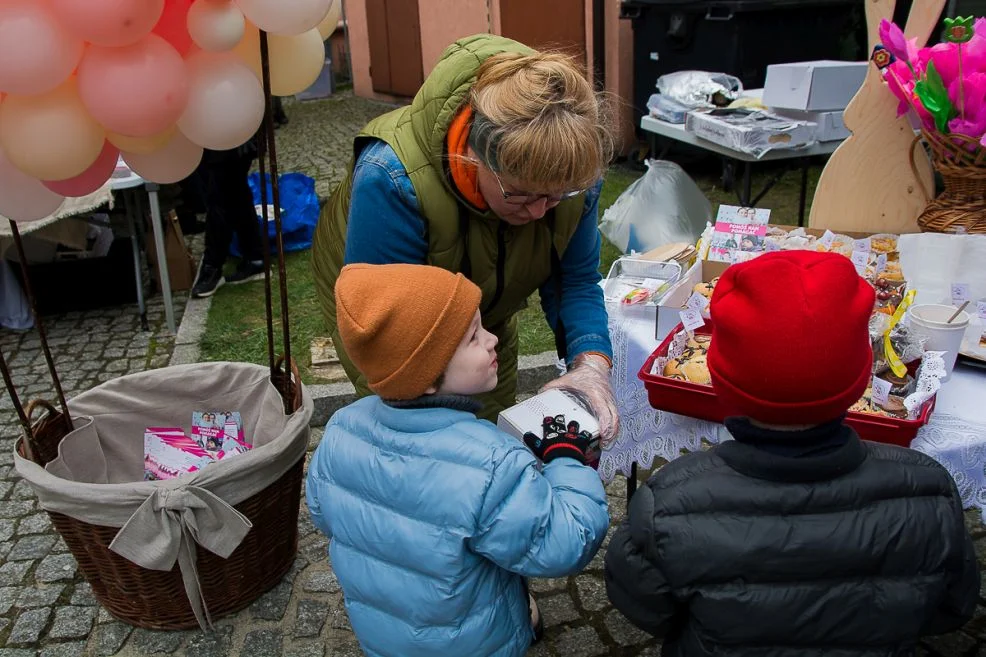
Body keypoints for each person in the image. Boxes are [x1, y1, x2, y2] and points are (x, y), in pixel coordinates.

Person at [604, 251, 978, 656]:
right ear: (858, 383)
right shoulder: (928, 492)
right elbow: (951, 607)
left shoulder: (669, 504)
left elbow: (645, 606)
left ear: (721, 380)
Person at [311, 34, 619, 444]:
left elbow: (575, 279)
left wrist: (590, 365)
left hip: (479, 306)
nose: (539, 212)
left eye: (556, 196)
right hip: (385, 308)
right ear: (472, 155)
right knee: (419, 435)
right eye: (521, 194)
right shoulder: (390, 179)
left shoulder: (570, 175)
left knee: (491, 421)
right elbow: (395, 338)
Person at [306, 263, 609, 657]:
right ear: (426, 375)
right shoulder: (490, 463)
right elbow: (565, 541)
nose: (492, 339)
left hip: (384, 636)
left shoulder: (342, 427)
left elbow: (322, 513)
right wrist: (567, 459)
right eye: (473, 337)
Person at [190, 137, 266, 298]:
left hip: (227, 139)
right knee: (236, 194)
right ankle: (254, 256)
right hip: (226, 138)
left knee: (219, 199)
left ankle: (212, 267)